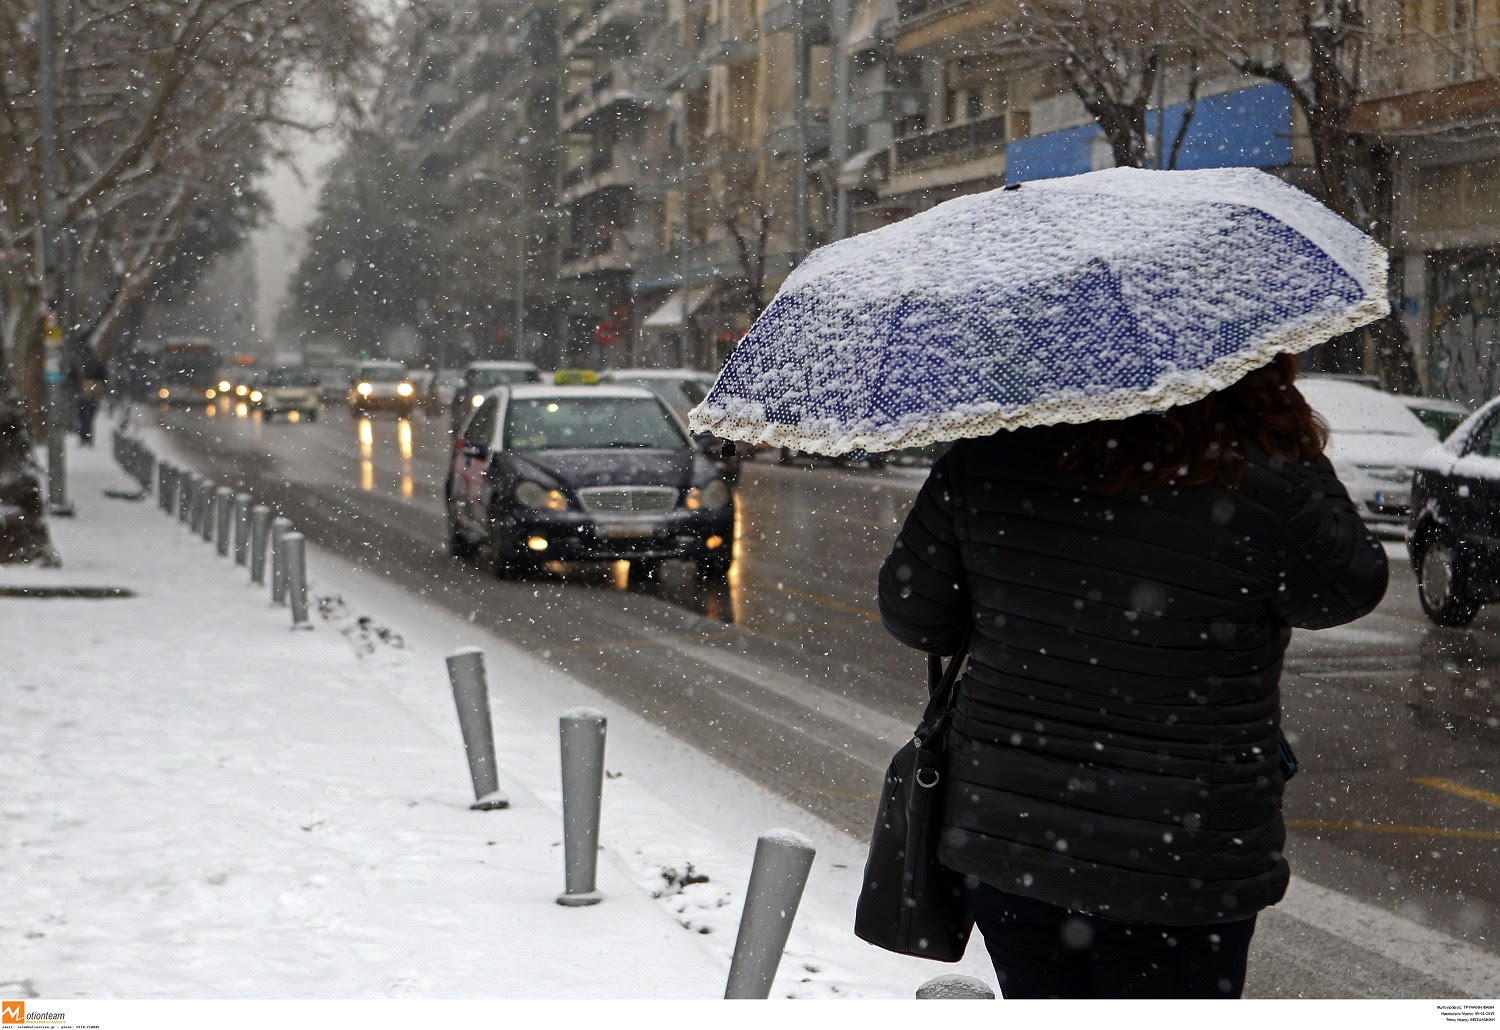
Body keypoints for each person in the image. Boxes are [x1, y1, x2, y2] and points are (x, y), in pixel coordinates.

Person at [876, 353, 1388, 999]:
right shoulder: (1260, 474)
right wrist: (1288, 437)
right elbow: (1348, 588)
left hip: (1015, 839)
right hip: (1185, 857)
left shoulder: (989, 456)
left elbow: (916, 616)